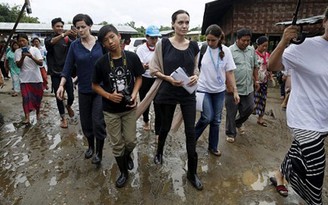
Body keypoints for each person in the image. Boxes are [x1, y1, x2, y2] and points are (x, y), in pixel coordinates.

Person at [267, 7, 328, 204]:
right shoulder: (305, 47)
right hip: (303, 116)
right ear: (325, 21)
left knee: (297, 149)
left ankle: (279, 173)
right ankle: (314, 201)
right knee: (316, 163)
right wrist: (284, 41)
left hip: (324, 118)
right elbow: (273, 66)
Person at [149, 10, 202, 190]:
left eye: (187, 22)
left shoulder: (194, 46)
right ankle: (159, 152)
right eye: (180, 22)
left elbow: (196, 68)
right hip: (168, 91)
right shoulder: (163, 44)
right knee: (164, 126)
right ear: (173, 24)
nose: (184, 26)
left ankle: (192, 172)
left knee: (190, 132)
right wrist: (168, 78)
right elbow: (153, 69)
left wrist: (196, 76)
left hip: (187, 94)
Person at [92, 24, 144, 188]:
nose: (110, 42)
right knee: (117, 144)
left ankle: (127, 156)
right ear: (103, 44)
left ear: (119, 36)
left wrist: (135, 94)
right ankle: (123, 172)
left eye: (112, 37)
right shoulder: (101, 63)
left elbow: (139, 77)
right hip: (110, 111)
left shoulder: (132, 57)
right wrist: (108, 95)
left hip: (129, 109)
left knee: (130, 142)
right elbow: (94, 85)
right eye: (106, 40)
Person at [57, 14, 107, 165]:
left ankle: (99, 152)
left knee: (98, 121)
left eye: (83, 27)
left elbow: (110, 63)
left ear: (90, 26)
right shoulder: (75, 46)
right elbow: (67, 66)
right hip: (84, 89)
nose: (80, 30)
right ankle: (91, 146)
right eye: (77, 28)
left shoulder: (100, 44)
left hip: (101, 89)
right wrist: (61, 85)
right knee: (86, 122)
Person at [195, 24, 239, 157]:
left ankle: (213, 147)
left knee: (216, 120)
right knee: (207, 117)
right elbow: (195, 69)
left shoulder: (226, 51)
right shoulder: (202, 49)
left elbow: (229, 72)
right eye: (207, 40)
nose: (209, 43)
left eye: (213, 40)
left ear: (220, 38)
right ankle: (192, 139)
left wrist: (235, 90)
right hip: (203, 89)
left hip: (219, 91)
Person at [225, 28, 259, 143]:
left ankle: (238, 122)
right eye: (243, 40)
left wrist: (256, 80)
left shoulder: (251, 50)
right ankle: (230, 133)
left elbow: (255, 66)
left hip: (248, 87)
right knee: (231, 112)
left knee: (250, 107)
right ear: (237, 39)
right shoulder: (229, 51)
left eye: (248, 41)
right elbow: (225, 69)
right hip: (232, 87)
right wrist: (227, 85)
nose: (246, 43)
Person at [45, 17, 75, 128]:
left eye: (62, 26)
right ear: (53, 27)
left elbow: (75, 46)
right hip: (55, 73)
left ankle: (68, 106)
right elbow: (51, 42)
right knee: (59, 96)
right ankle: (63, 118)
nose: (60, 28)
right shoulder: (49, 39)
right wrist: (64, 34)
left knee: (71, 96)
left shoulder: (67, 40)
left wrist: (74, 36)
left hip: (66, 72)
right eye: (57, 26)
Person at [136, 25, 162, 137]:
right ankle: (146, 120)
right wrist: (144, 67)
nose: (154, 40)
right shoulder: (141, 49)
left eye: (156, 38)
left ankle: (158, 129)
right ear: (146, 37)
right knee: (145, 101)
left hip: (157, 79)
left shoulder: (160, 46)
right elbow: (139, 65)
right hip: (145, 78)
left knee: (158, 104)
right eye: (152, 38)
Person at [15, 33, 44, 124]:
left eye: (23, 40)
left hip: (36, 78)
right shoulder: (17, 52)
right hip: (24, 79)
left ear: (27, 40)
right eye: (19, 41)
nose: (22, 43)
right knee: (25, 98)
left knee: (37, 98)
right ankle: (27, 117)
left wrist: (31, 56)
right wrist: (23, 57)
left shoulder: (35, 50)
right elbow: (18, 65)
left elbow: (40, 63)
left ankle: (38, 113)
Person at [253, 36, 273, 127]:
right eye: (263, 46)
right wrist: (254, 80)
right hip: (254, 81)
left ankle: (260, 118)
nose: (265, 48)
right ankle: (244, 115)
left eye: (266, 46)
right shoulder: (253, 55)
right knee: (252, 100)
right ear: (258, 45)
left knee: (263, 99)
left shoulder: (267, 55)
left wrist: (270, 75)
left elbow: (269, 67)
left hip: (264, 81)